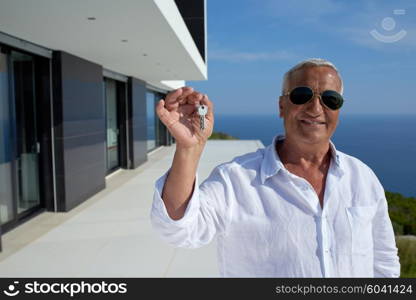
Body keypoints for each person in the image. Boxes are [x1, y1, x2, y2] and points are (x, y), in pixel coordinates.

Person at [150, 58, 400, 277]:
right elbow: (178, 229)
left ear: (339, 109)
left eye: (330, 99)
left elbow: (384, 261)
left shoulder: (363, 178)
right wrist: (189, 149)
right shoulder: (235, 180)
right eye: (302, 96)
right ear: (282, 106)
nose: (315, 109)